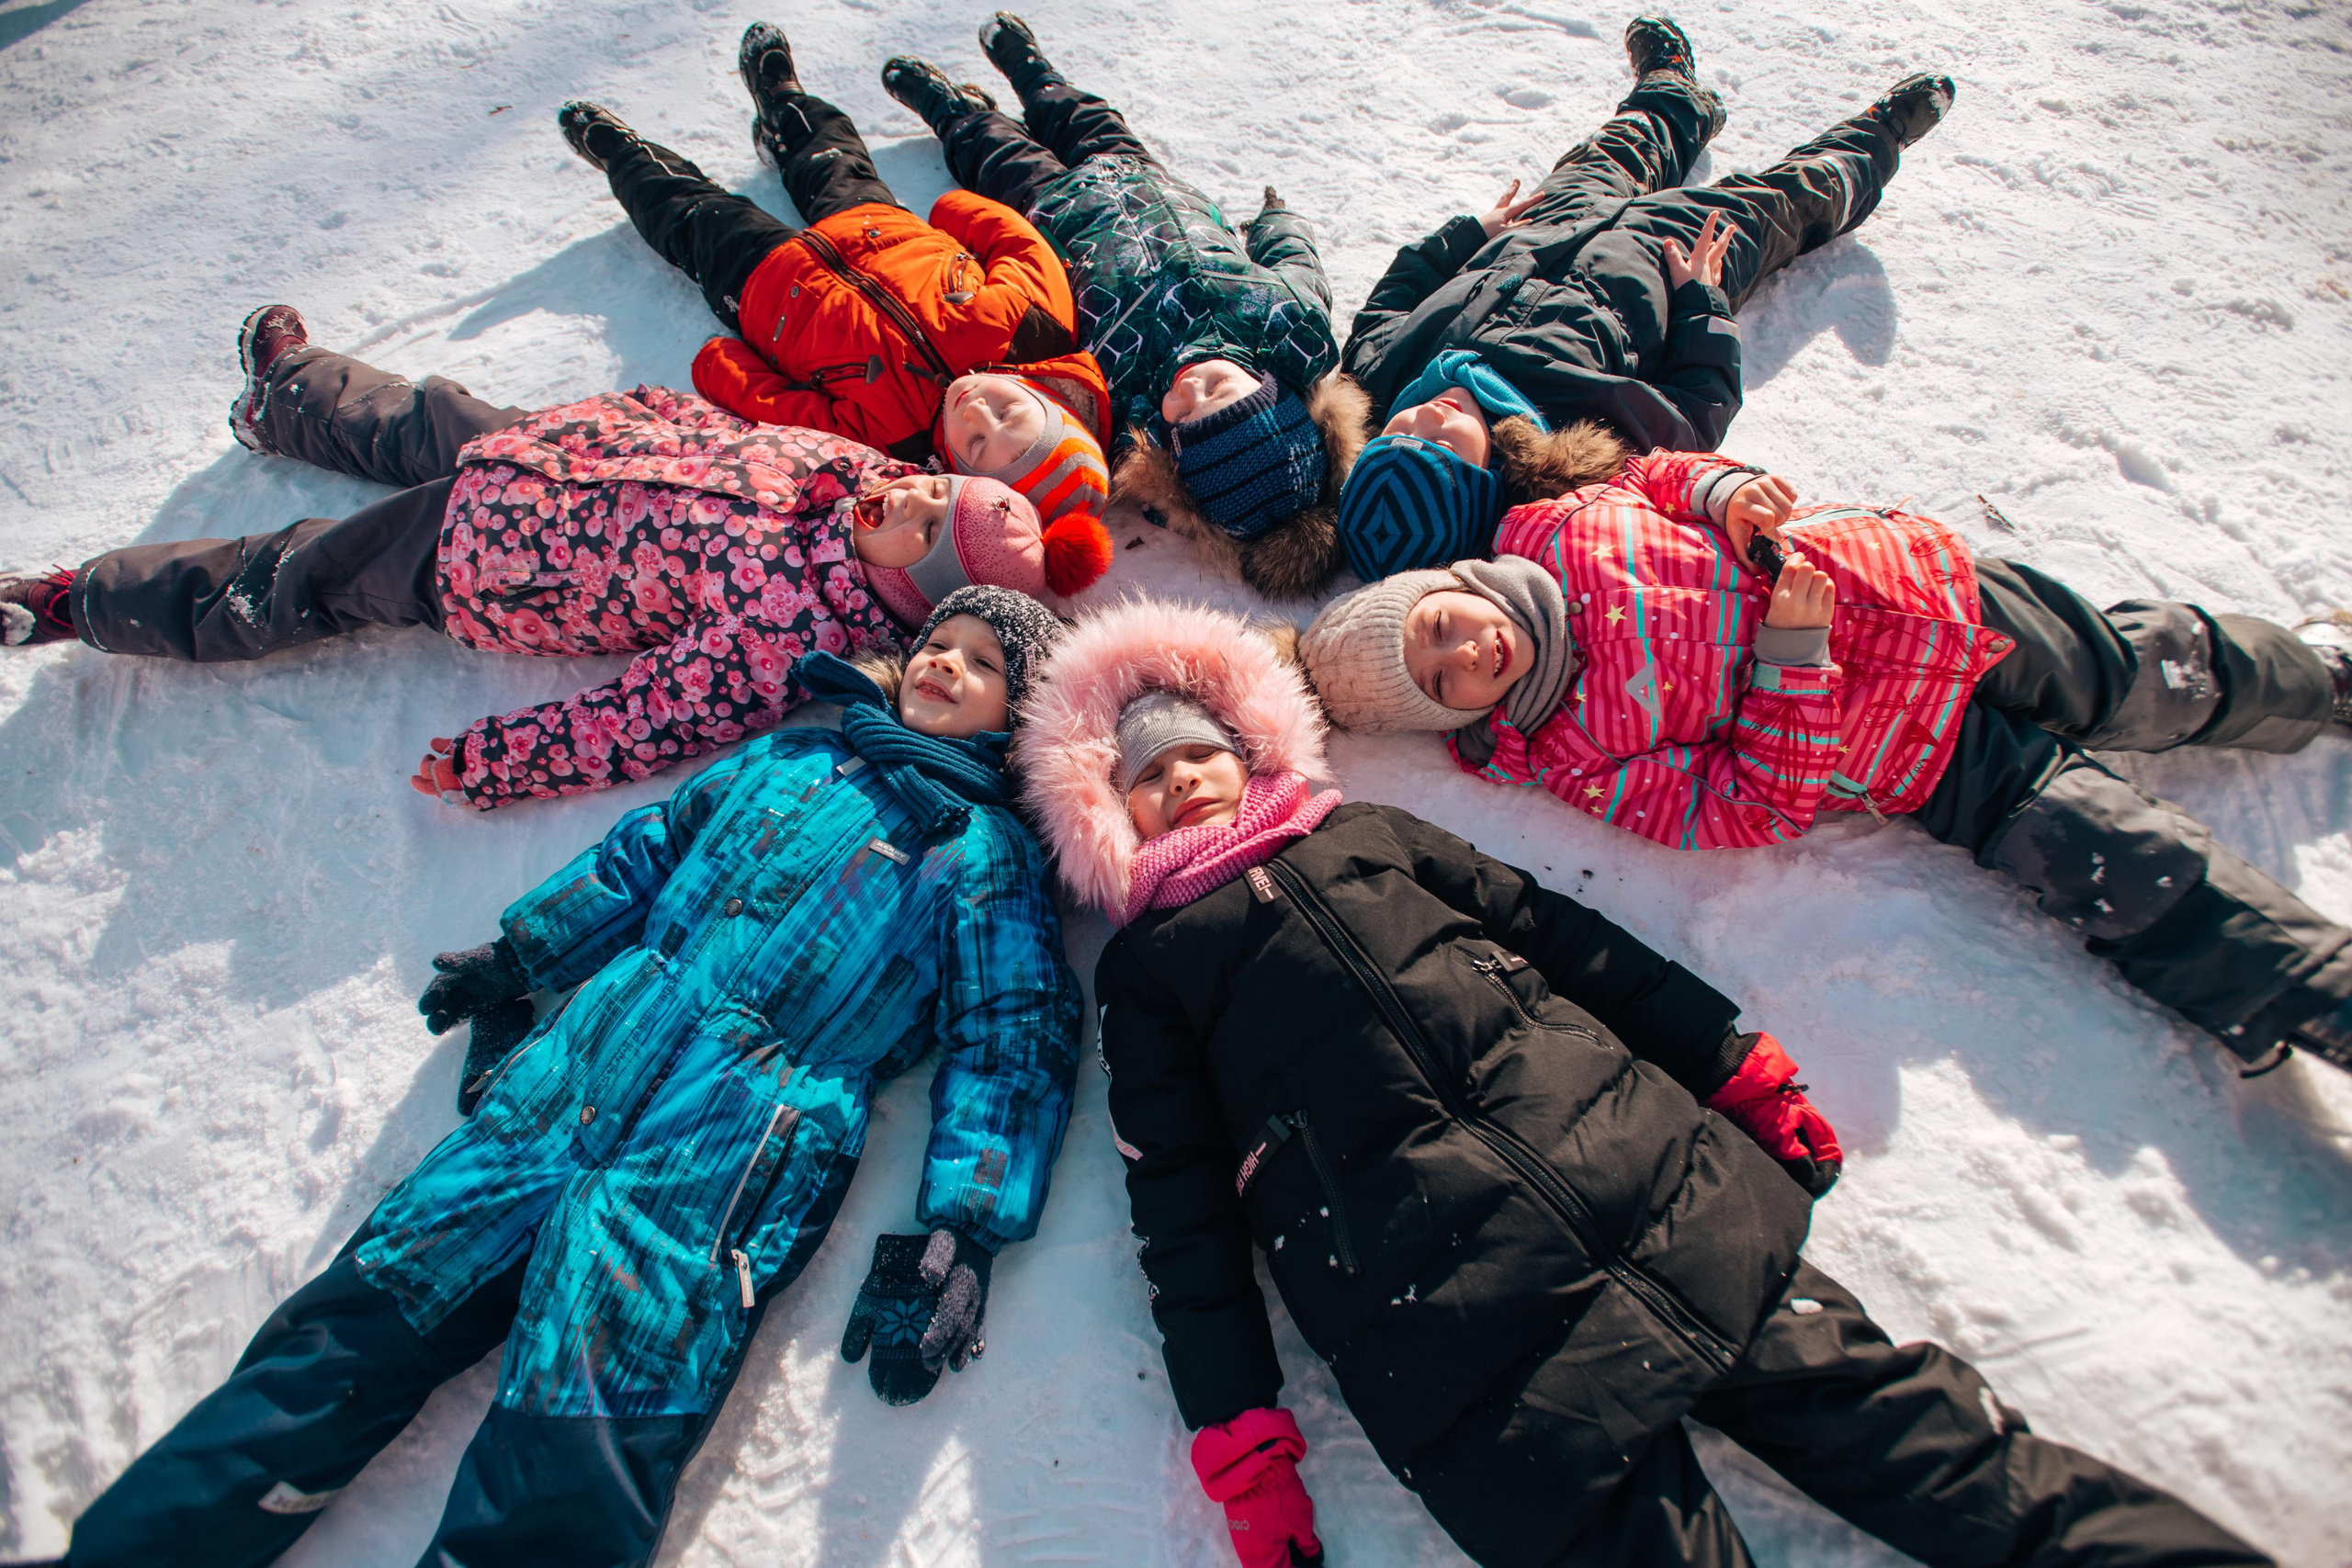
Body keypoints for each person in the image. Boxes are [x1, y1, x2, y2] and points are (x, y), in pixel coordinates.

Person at [1011, 594, 2273, 1568]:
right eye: (1146, 778)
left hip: (1664, 1199)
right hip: (1466, 1334)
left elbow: (1567, 940)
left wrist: (1731, 1064)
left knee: (1945, 1453)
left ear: (1247, 746)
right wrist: (1240, 1437)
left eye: (1197, 754)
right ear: (1108, 813)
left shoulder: (1366, 836)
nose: (1180, 781)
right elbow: (1179, 1209)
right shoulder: (1152, 970)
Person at [46, 588, 1086, 1568]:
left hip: (721, 1158)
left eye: (984, 664)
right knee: (348, 1332)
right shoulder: (793, 758)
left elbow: (1010, 1039)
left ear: (1019, 717)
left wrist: (965, 1227)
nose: (946, 663)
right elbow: (645, 856)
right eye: (938, 643)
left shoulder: (980, 854)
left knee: (576, 1448)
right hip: (570, 1081)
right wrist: (522, 954)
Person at [1298, 452, 2352, 1077]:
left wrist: (1725, 493)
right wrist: (1789, 664)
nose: (1466, 653)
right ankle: (2310, 989)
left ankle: (2316, 675)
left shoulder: (1563, 524)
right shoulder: (1575, 754)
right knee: (2113, 854)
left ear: (1452, 586)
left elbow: (1659, 474)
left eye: (1438, 628)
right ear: (1458, 717)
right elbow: (1748, 806)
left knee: (2142, 667)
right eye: (1442, 682)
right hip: (1926, 755)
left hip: (1924, 594)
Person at [0, 307, 1112, 808]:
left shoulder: (789, 632)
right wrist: (639, 411)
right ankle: (287, 393)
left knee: (302, 572)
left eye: (921, 523)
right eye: (931, 486)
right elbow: (725, 429)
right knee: (415, 414)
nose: (905, 493)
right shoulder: (848, 467)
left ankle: (74, 602)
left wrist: (506, 761)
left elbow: (646, 716)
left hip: (483, 561)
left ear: (906, 588)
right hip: (552, 447)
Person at [1333, 14, 1954, 580]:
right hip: (1665, 263)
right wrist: (1701, 299)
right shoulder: (1588, 442)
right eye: (1444, 446)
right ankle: (1877, 137)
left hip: (1547, 227)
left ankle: (1675, 94)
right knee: (1775, 204)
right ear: (1486, 481)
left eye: (1397, 433)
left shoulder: (1378, 378)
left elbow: (1393, 297)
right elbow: (1698, 407)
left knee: (1612, 153)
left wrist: (1470, 234)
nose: (1430, 417)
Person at [882, 13, 1371, 600]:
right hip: (1143, 180)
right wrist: (1276, 218)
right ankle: (1031, 71)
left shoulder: (1126, 405)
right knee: (1081, 116)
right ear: (1272, 389)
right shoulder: (1287, 324)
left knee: (995, 152)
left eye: (1183, 418)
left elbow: (1058, 428)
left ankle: (954, 111)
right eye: (1218, 391)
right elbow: (1294, 258)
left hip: (1054, 217)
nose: (1188, 392)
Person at [558, 20, 1116, 531]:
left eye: (974, 442)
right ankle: (783, 100)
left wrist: (722, 365)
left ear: (963, 475)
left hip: (771, 291)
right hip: (875, 227)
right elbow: (1020, 246)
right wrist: (954, 212)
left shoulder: (893, 438)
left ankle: (626, 158)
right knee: (829, 152)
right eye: (1007, 411)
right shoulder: (1033, 331)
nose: (975, 411)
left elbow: (782, 412)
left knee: (692, 216)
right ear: (1047, 401)